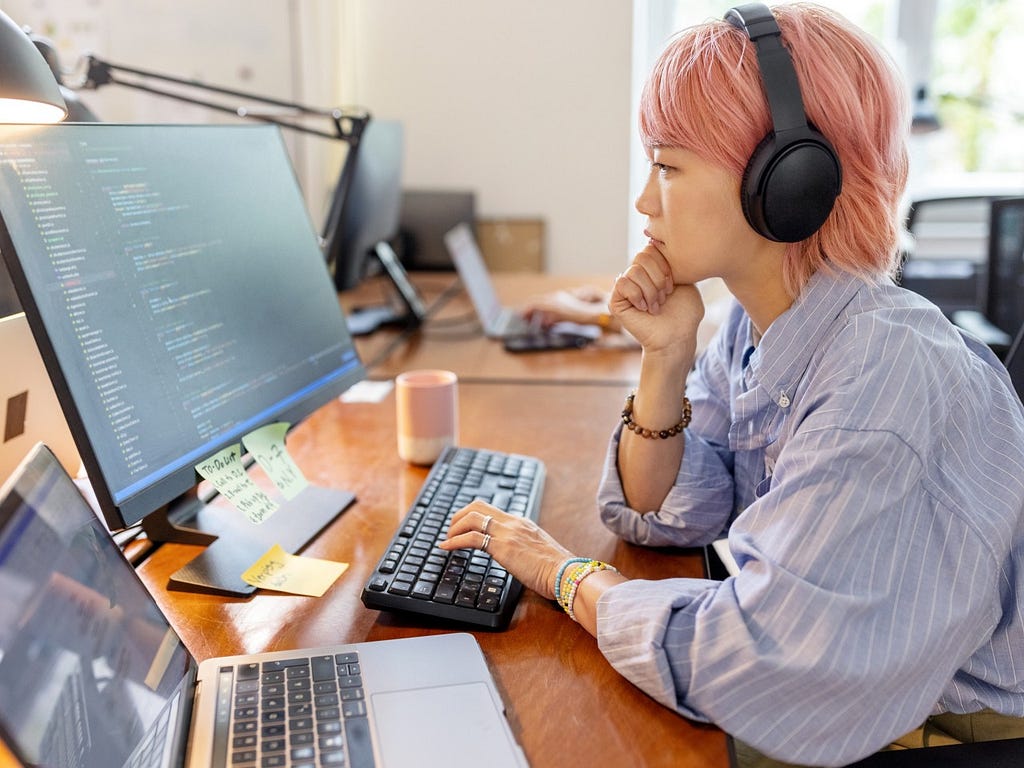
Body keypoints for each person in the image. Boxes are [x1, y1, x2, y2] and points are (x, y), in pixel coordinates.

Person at [441, 3, 1024, 766]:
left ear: (789, 184)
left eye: (670, 166)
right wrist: (667, 355)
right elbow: (662, 511)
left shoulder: (884, 381)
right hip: (853, 687)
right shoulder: (763, 325)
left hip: (938, 728)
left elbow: (748, 658)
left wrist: (564, 574)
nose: (645, 202)